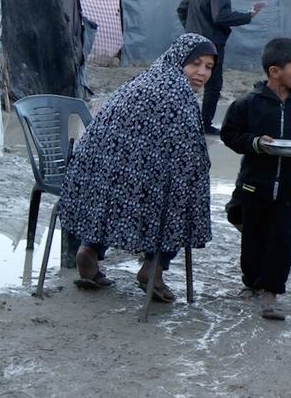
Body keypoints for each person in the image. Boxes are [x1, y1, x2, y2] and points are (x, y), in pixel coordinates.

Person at [60, 33, 218, 303]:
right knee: (180, 197)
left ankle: (88, 250)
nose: (202, 73)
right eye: (196, 64)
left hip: (92, 177)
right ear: (179, 60)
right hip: (126, 183)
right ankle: (154, 267)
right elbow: (192, 158)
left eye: (209, 67)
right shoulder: (178, 93)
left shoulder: (145, 78)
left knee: (121, 192)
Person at [220, 37, 291, 320]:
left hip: (289, 189)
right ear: (275, 71)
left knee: (283, 239)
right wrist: (255, 142)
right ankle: (252, 281)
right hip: (254, 185)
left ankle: (271, 293)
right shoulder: (248, 104)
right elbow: (230, 134)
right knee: (252, 237)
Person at [176, 0, 266, 135]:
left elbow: (181, 8)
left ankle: (180, 120)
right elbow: (221, 17)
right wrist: (249, 15)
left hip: (194, 43)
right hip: (212, 45)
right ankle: (205, 125)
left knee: (187, 82)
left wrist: (191, 31)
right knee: (213, 86)